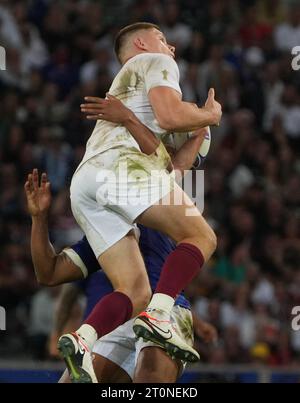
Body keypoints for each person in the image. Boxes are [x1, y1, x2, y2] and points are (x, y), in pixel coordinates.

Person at [45, 21, 222, 380]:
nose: (170, 48)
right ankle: (160, 316)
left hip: (85, 183)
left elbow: (171, 160)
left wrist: (188, 136)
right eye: (162, 39)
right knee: (203, 237)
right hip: (123, 171)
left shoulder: (129, 93)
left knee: (135, 291)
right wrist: (209, 115)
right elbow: (170, 116)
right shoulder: (156, 63)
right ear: (142, 43)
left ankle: (84, 338)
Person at [26, 94, 213, 382]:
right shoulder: (110, 231)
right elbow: (48, 273)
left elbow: (169, 170)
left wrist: (197, 130)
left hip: (166, 313)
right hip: (119, 322)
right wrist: (39, 220)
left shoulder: (161, 199)